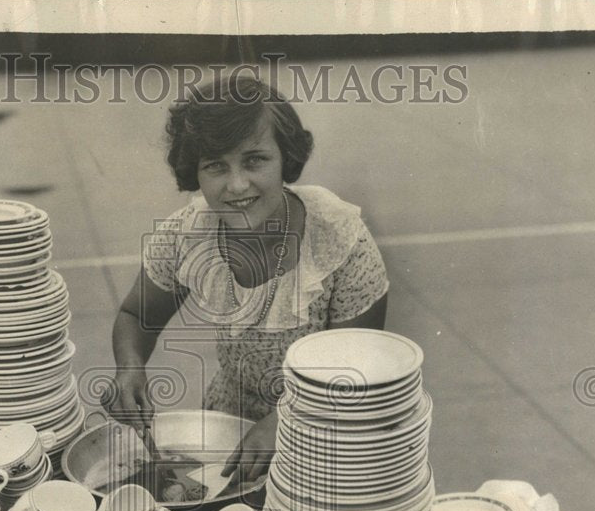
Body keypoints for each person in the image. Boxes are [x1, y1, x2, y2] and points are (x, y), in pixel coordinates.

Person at [107, 73, 388, 488]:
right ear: (194, 174)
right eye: (216, 166)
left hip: (331, 427)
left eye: (255, 159)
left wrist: (288, 420)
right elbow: (135, 314)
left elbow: (359, 365)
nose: (236, 185)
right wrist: (129, 367)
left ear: (286, 158)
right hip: (230, 422)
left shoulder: (338, 238)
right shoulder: (189, 234)